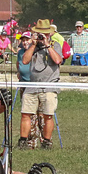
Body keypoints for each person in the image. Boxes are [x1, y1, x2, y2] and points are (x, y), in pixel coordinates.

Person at [18, 19, 63, 149]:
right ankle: (23, 141)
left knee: (48, 115)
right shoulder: (33, 47)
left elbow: (58, 60)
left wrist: (47, 45)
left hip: (49, 85)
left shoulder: (55, 45)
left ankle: (47, 142)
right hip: (33, 85)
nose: (42, 36)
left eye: (45, 34)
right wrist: (33, 44)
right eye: (40, 34)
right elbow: (25, 61)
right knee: (25, 113)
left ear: (50, 34)